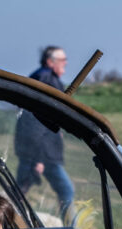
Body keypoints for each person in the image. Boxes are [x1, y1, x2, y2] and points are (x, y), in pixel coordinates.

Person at [14, 45, 77, 216]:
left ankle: (6, 222)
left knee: (19, 193)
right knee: (66, 190)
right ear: (50, 62)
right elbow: (35, 122)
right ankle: (72, 227)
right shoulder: (46, 80)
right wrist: (38, 159)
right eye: (62, 60)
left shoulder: (42, 77)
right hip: (43, 153)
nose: (66, 63)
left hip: (38, 151)